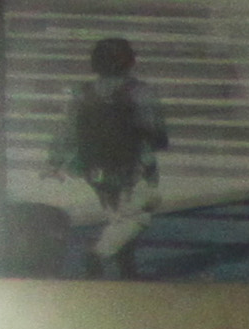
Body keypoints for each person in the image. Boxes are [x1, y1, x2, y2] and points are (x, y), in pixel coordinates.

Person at [53, 38, 168, 279]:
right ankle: (99, 253)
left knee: (117, 217)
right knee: (137, 216)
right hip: (133, 164)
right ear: (130, 61)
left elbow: (67, 130)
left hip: (94, 166)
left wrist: (56, 160)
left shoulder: (82, 93)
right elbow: (155, 130)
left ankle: (127, 268)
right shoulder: (139, 91)